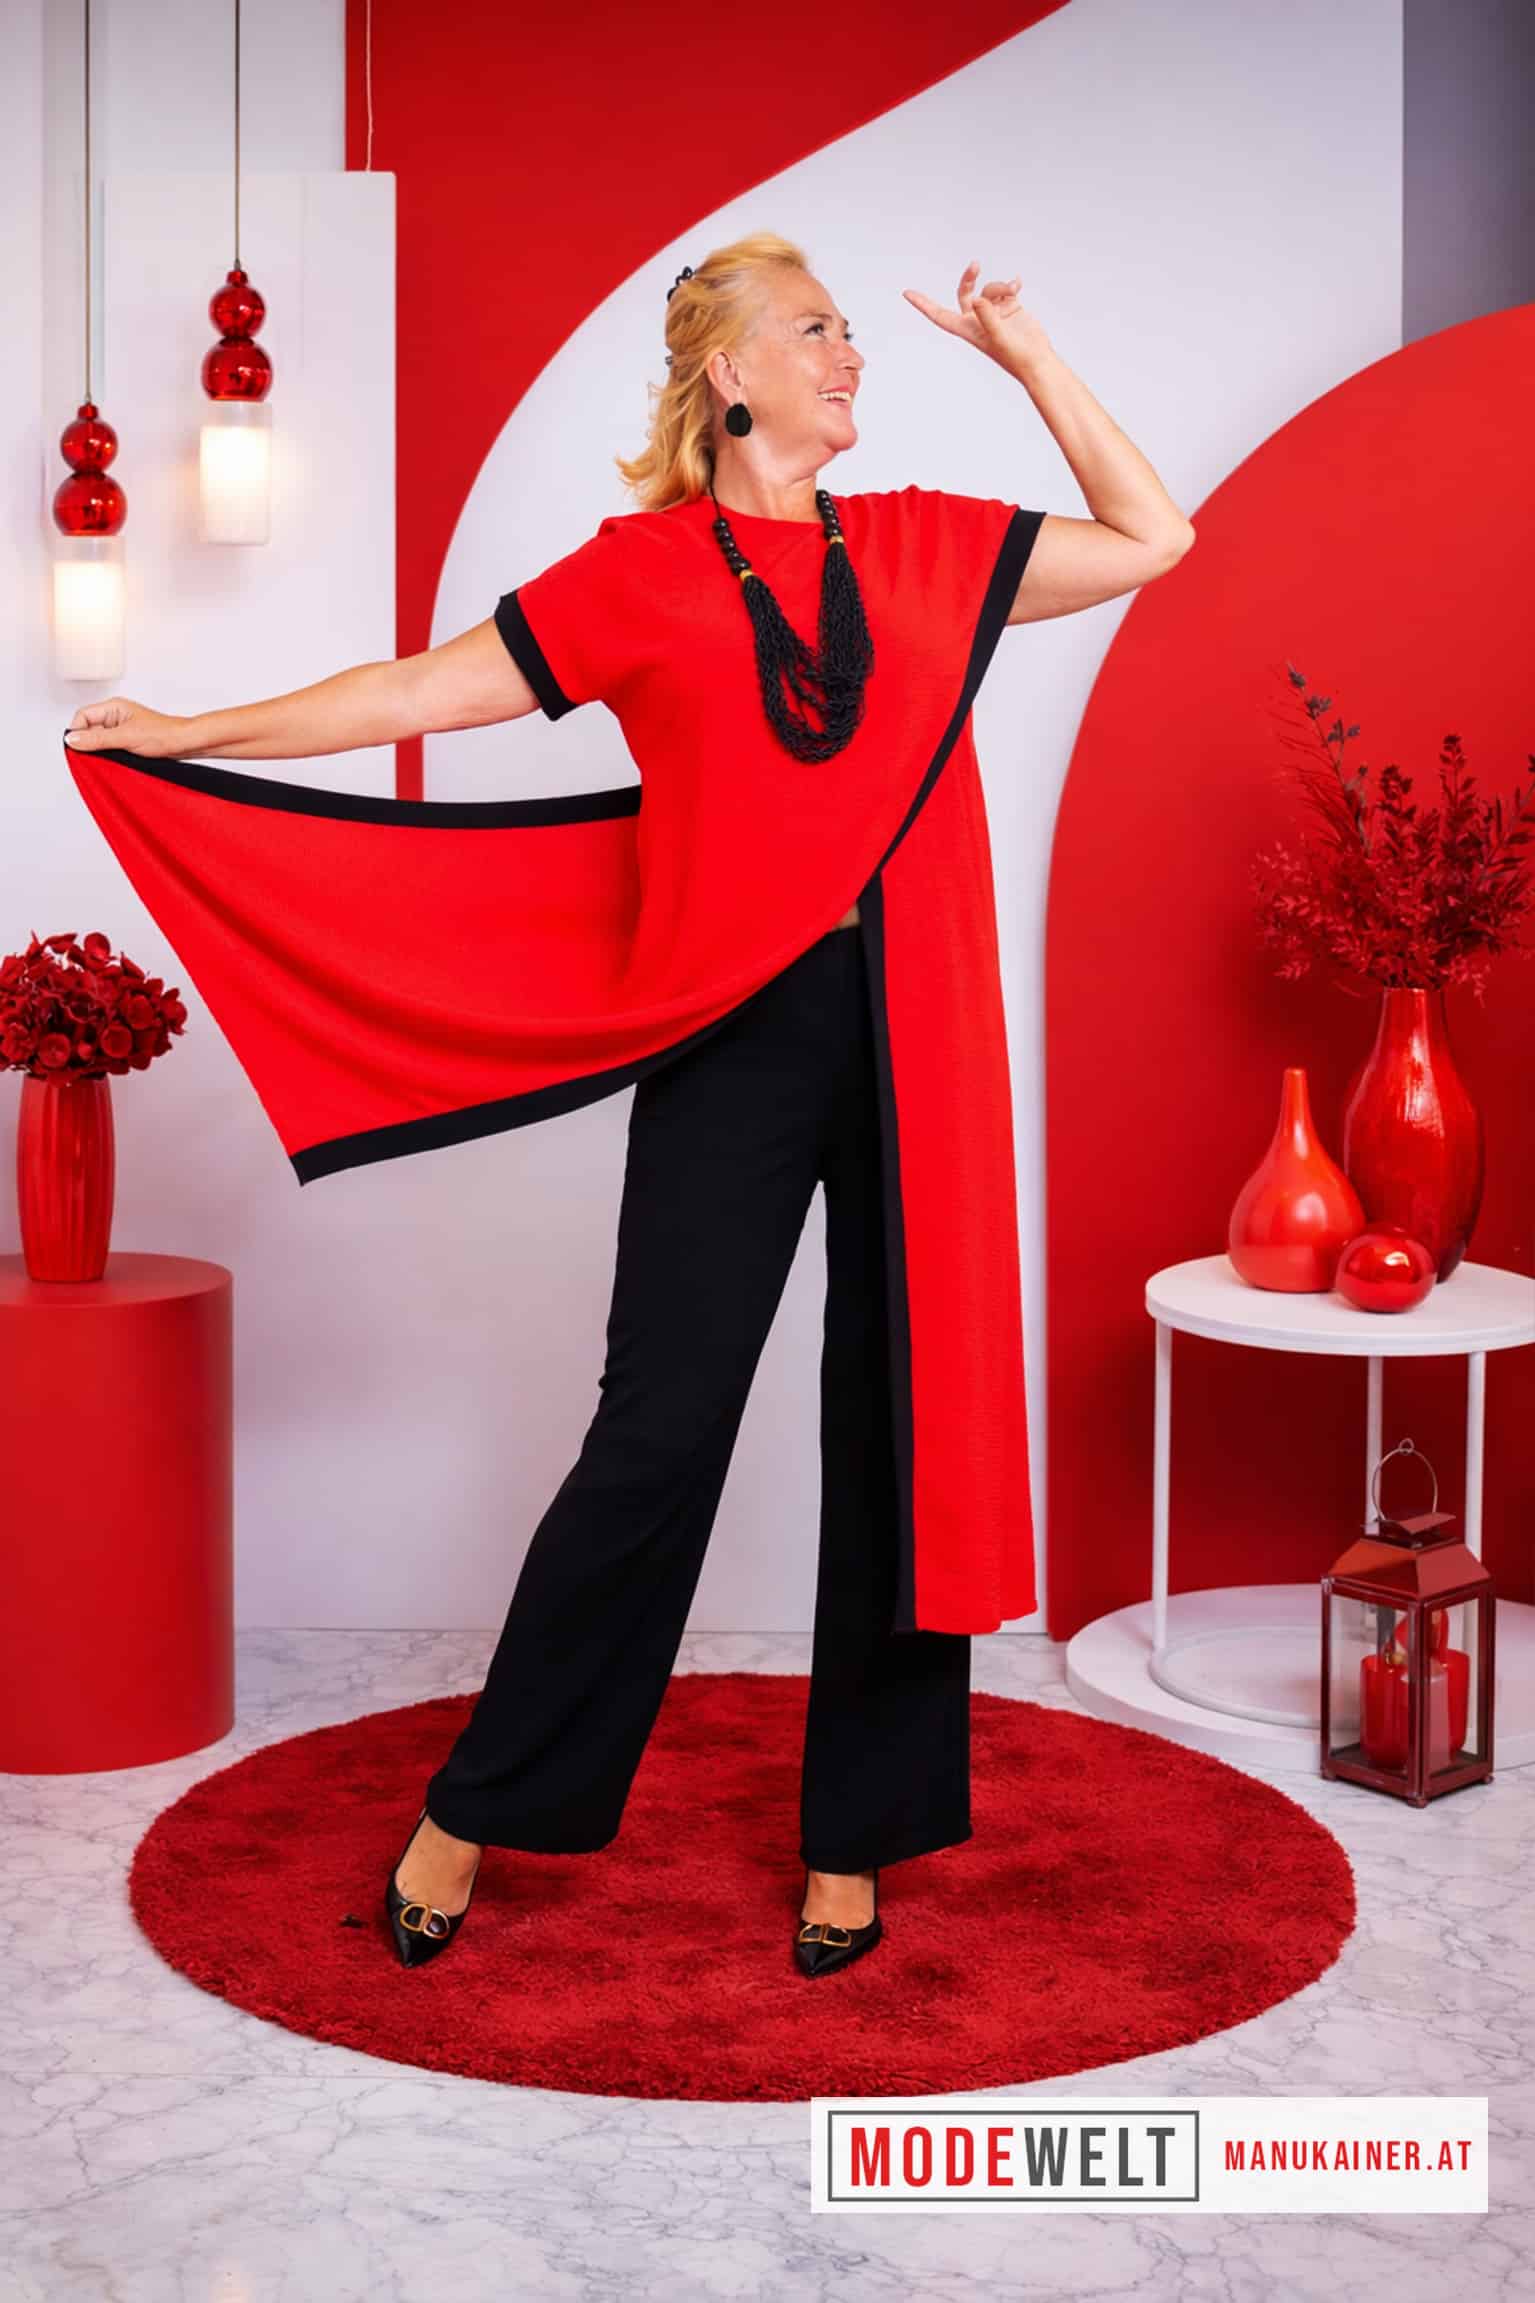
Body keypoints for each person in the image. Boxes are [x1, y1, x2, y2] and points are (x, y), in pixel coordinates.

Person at [64, 232, 1194, 1980]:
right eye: (817, 331)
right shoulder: (639, 575)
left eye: (852, 334)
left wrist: (1025, 352)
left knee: (902, 1418)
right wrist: (193, 733)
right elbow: (418, 689)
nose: (852, 355)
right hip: (732, 1030)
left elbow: (1151, 536)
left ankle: (857, 1838)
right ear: (730, 374)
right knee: (659, 1428)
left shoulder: (926, 542)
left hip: (916, 1023)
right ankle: (480, 1803)